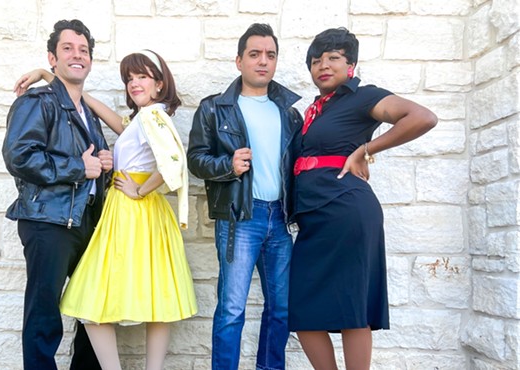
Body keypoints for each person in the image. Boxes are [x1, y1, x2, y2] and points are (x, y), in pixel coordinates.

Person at [15, 49, 197, 370]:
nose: (134, 83)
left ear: (159, 84)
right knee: (153, 296)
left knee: (95, 297)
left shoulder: (154, 116)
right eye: (129, 78)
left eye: (142, 76)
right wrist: (49, 77)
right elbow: (99, 111)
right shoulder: (143, 119)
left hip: (134, 212)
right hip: (130, 213)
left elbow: (174, 163)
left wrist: (139, 189)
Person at [288, 27, 437, 369]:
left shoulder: (364, 96)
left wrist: (366, 149)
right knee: (302, 308)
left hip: (346, 210)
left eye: (333, 58)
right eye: (316, 61)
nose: (323, 65)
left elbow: (422, 117)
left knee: (351, 306)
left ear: (350, 64)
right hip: (313, 217)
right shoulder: (316, 110)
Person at [187, 23, 302, 370]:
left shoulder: (290, 112)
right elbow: (195, 159)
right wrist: (228, 165)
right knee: (232, 309)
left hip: (280, 220)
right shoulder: (215, 108)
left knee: (281, 309)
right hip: (240, 219)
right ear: (239, 61)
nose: (262, 61)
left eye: (270, 55)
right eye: (254, 54)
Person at [2, 19, 112, 370]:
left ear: (91, 60)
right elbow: (19, 156)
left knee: (94, 310)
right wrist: (79, 168)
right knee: (44, 313)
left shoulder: (86, 113)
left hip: (85, 223)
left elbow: (90, 162)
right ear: (53, 58)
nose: (76, 55)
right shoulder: (38, 101)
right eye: (68, 48)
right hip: (48, 222)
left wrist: (103, 164)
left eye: (83, 50)